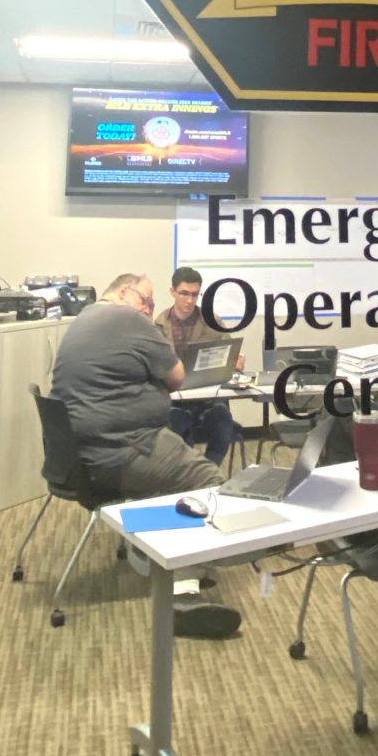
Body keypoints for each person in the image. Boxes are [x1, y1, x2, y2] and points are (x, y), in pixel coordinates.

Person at [49, 272, 241, 636]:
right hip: (121, 450)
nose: (149, 310)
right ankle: (181, 593)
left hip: (85, 454)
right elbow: (177, 377)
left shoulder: (85, 319)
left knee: (181, 463)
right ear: (124, 292)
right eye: (146, 301)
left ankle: (154, 549)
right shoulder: (128, 319)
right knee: (209, 484)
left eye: (152, 305)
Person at [159, 266, 243, 466]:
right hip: (176, 400)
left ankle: (210, 470)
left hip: (208, 398)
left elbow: (230, 355)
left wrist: (235, 362)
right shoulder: (159, 325)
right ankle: (189, 471)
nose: (189, 300)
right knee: (174, 425)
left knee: (223, 420)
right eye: (184, 294)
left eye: (195, 294)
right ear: (172, 292)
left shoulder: (212, 321)